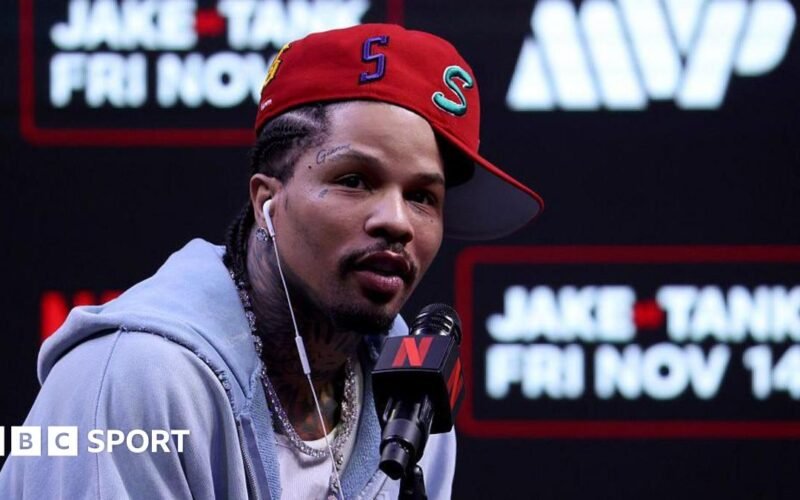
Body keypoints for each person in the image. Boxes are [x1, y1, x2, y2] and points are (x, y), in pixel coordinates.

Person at [0, 23, 542, 499]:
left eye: (423, 196)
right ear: (267, 202)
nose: (397, 221)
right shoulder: (133, 377)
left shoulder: (411, 401)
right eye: (355, 180)